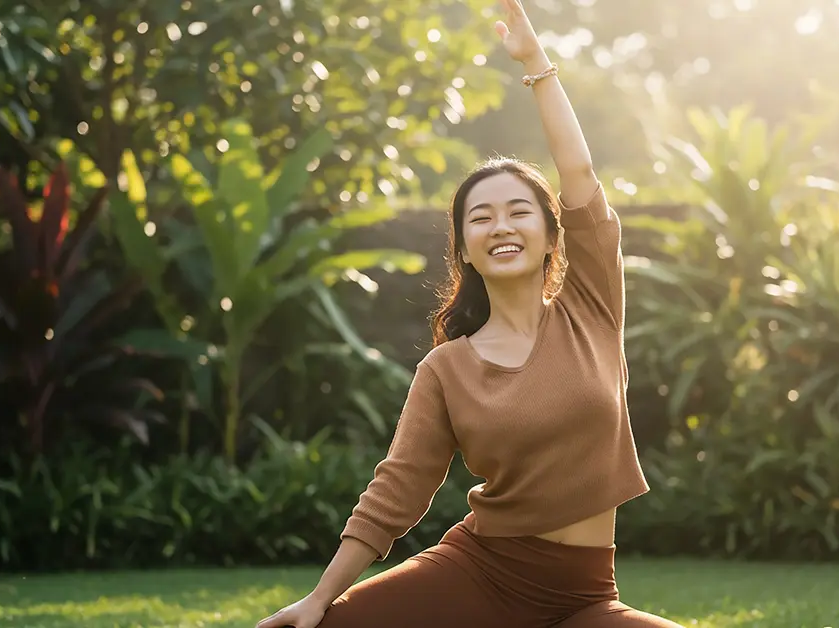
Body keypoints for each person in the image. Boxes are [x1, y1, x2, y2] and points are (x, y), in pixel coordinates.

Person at [256, 1, 684, 626]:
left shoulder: (592, 308)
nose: (501, 225)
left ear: (551, 234)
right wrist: (320, 599)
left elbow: (581, 172)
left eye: (519, 211)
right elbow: (396, 491)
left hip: (583, 595)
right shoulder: (447, 369)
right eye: (480, 217)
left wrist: (537, 65)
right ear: (463, 247)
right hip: (480, 575)